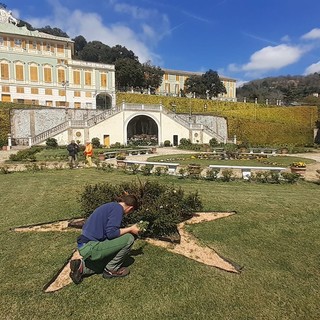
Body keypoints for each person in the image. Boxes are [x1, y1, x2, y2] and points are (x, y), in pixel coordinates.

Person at [69, 194, 140, 284]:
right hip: (91, 247)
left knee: (106, 260)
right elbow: (111, 234)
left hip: (84, 245)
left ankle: (81, 267)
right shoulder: (118, 209)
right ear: (130, 208)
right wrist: (131, 229)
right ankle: (111, 270)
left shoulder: (111, 206)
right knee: (129, 238)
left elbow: (107, 232)